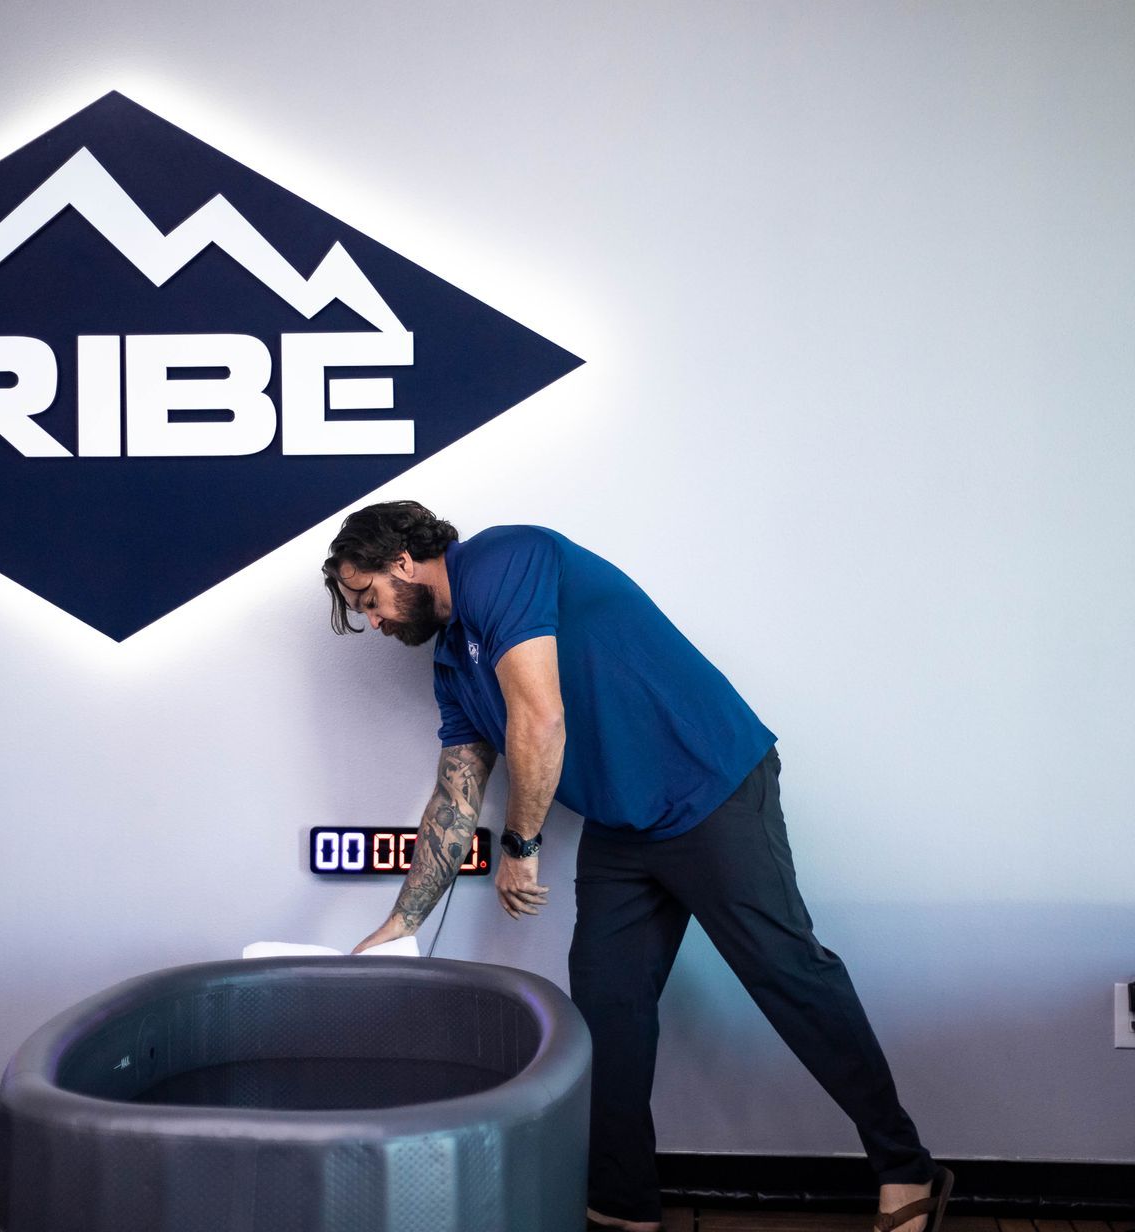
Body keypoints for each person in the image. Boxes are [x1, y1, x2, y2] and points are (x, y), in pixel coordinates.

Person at [324, 501, 952, 1232]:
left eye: (368, 597)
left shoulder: (501, 560)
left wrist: (521, 849)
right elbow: (455, 798)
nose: (373, 620)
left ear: (403, 561)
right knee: (608, 1011)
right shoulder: (450, 665)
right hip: (623, 828)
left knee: (789, 976)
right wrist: (400, 924)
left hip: (707, 787)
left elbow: (540, 715)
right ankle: (623, 1204)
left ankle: (906, 1169)